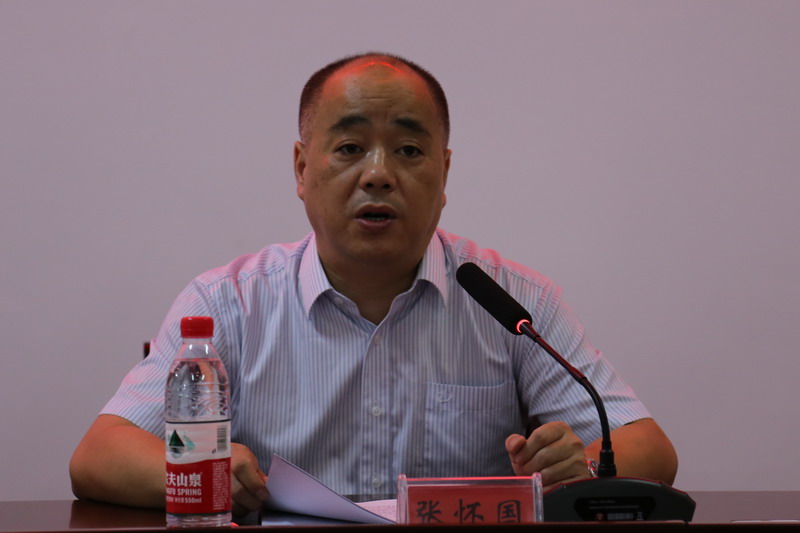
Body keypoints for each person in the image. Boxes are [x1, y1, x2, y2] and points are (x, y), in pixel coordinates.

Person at [70, 52, 678, 516]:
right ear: (302, 168)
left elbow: (648, 448)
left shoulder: (511, 301)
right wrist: (206, 472)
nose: (379, 175)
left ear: (444, 172)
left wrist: (583, 468)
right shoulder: (229, 303)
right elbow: (99, 455)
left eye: (409, 150)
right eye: (351, 147)